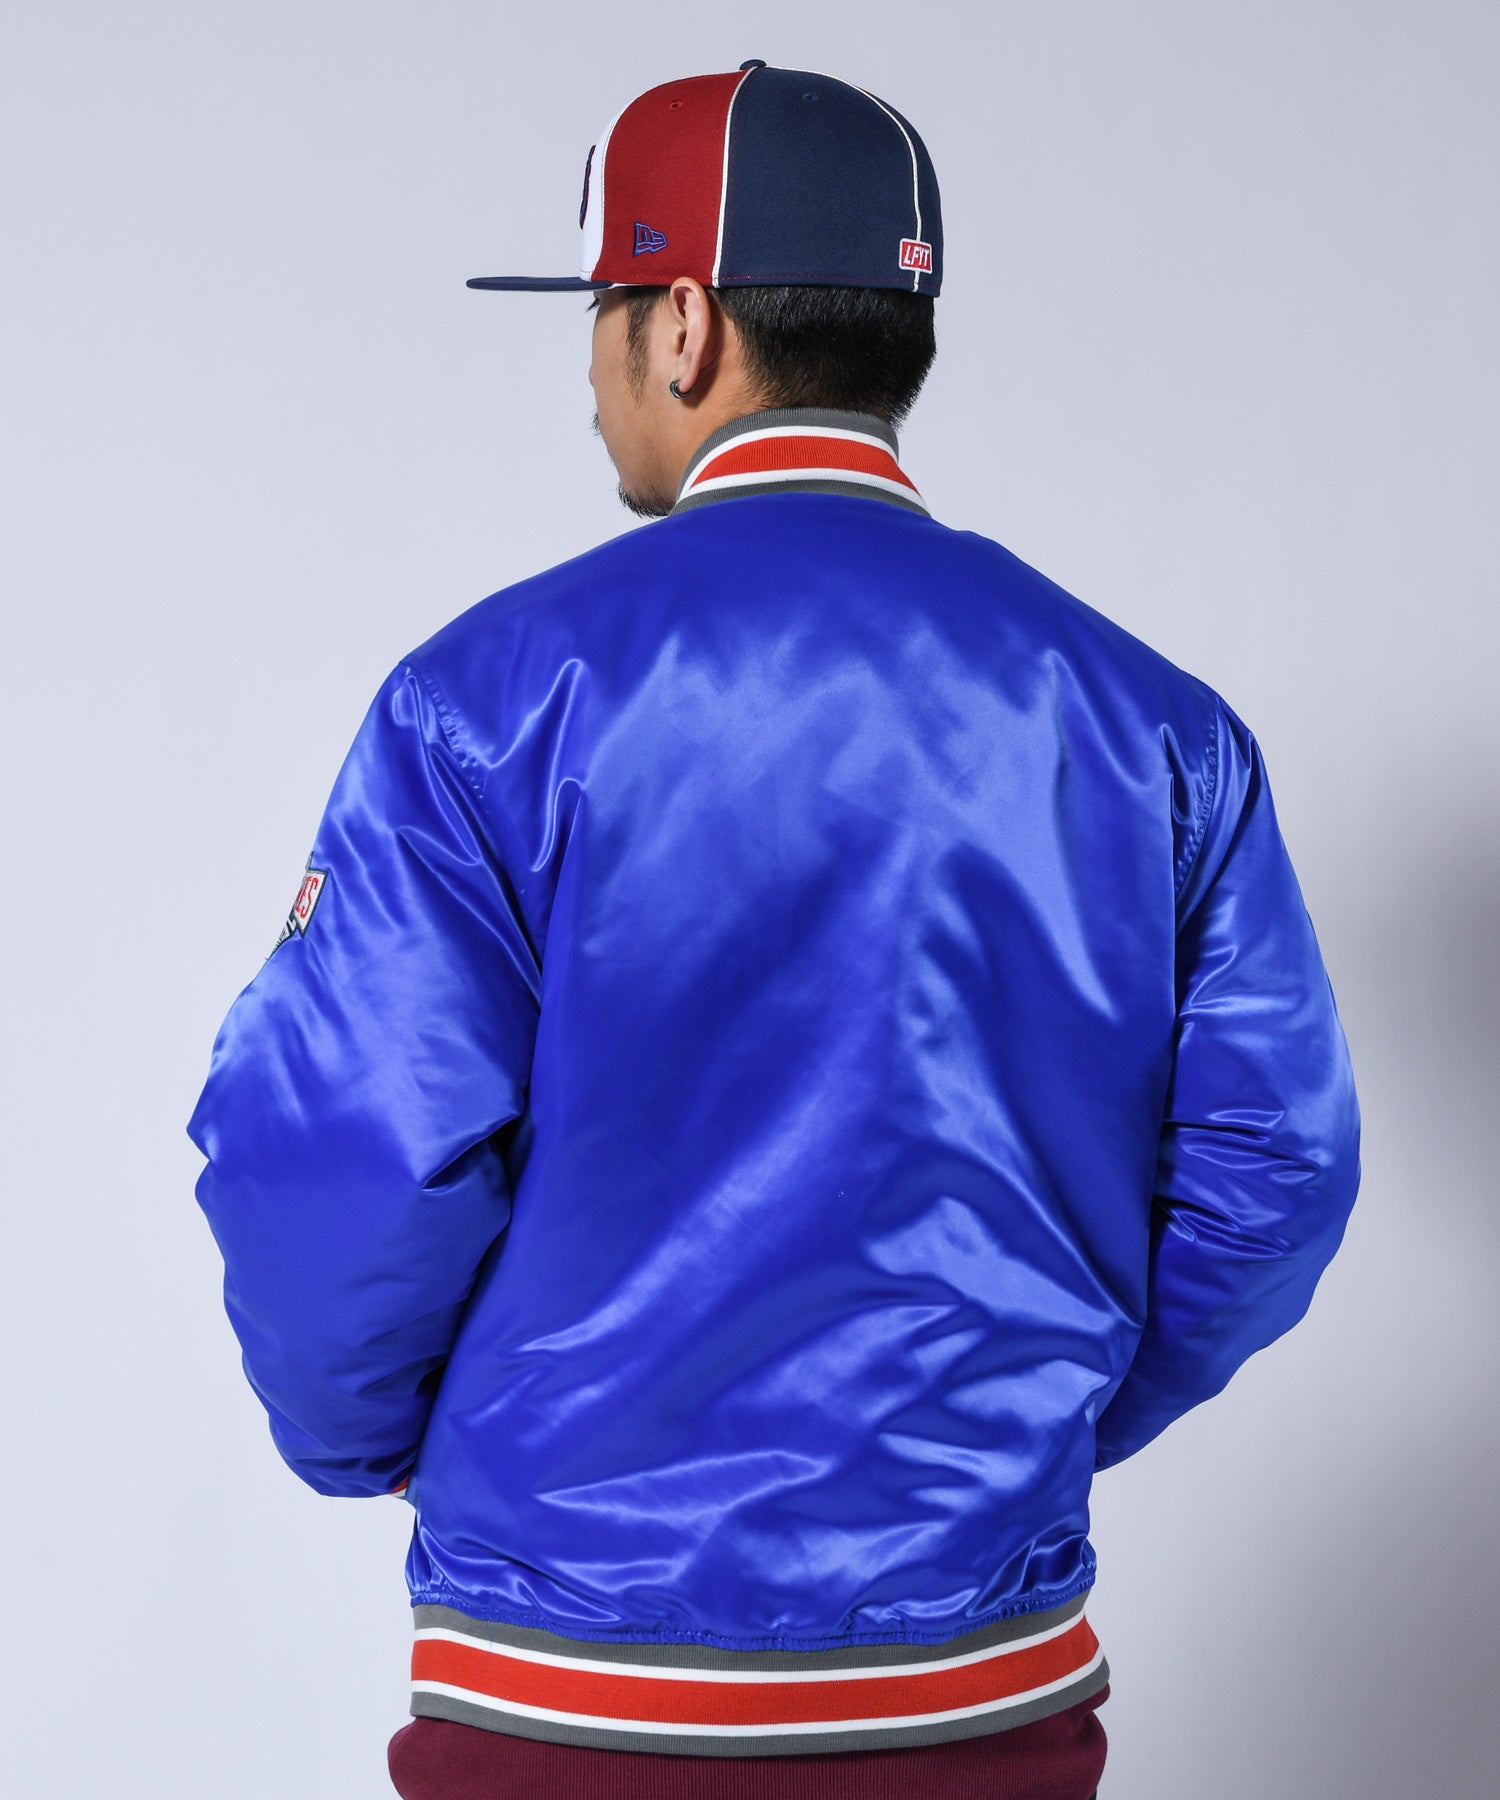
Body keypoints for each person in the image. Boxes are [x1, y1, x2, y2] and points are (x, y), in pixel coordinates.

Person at [188, 60, 1361, 1800]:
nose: (590, 375)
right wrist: (1020, 1427)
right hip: (977, 1692)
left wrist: (371, 1445)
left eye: (600, 312)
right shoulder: (1156, 729)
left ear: (682, 327)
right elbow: (1277, 1176)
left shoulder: (486, 705)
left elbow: (333, 1158)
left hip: (575, 1693)